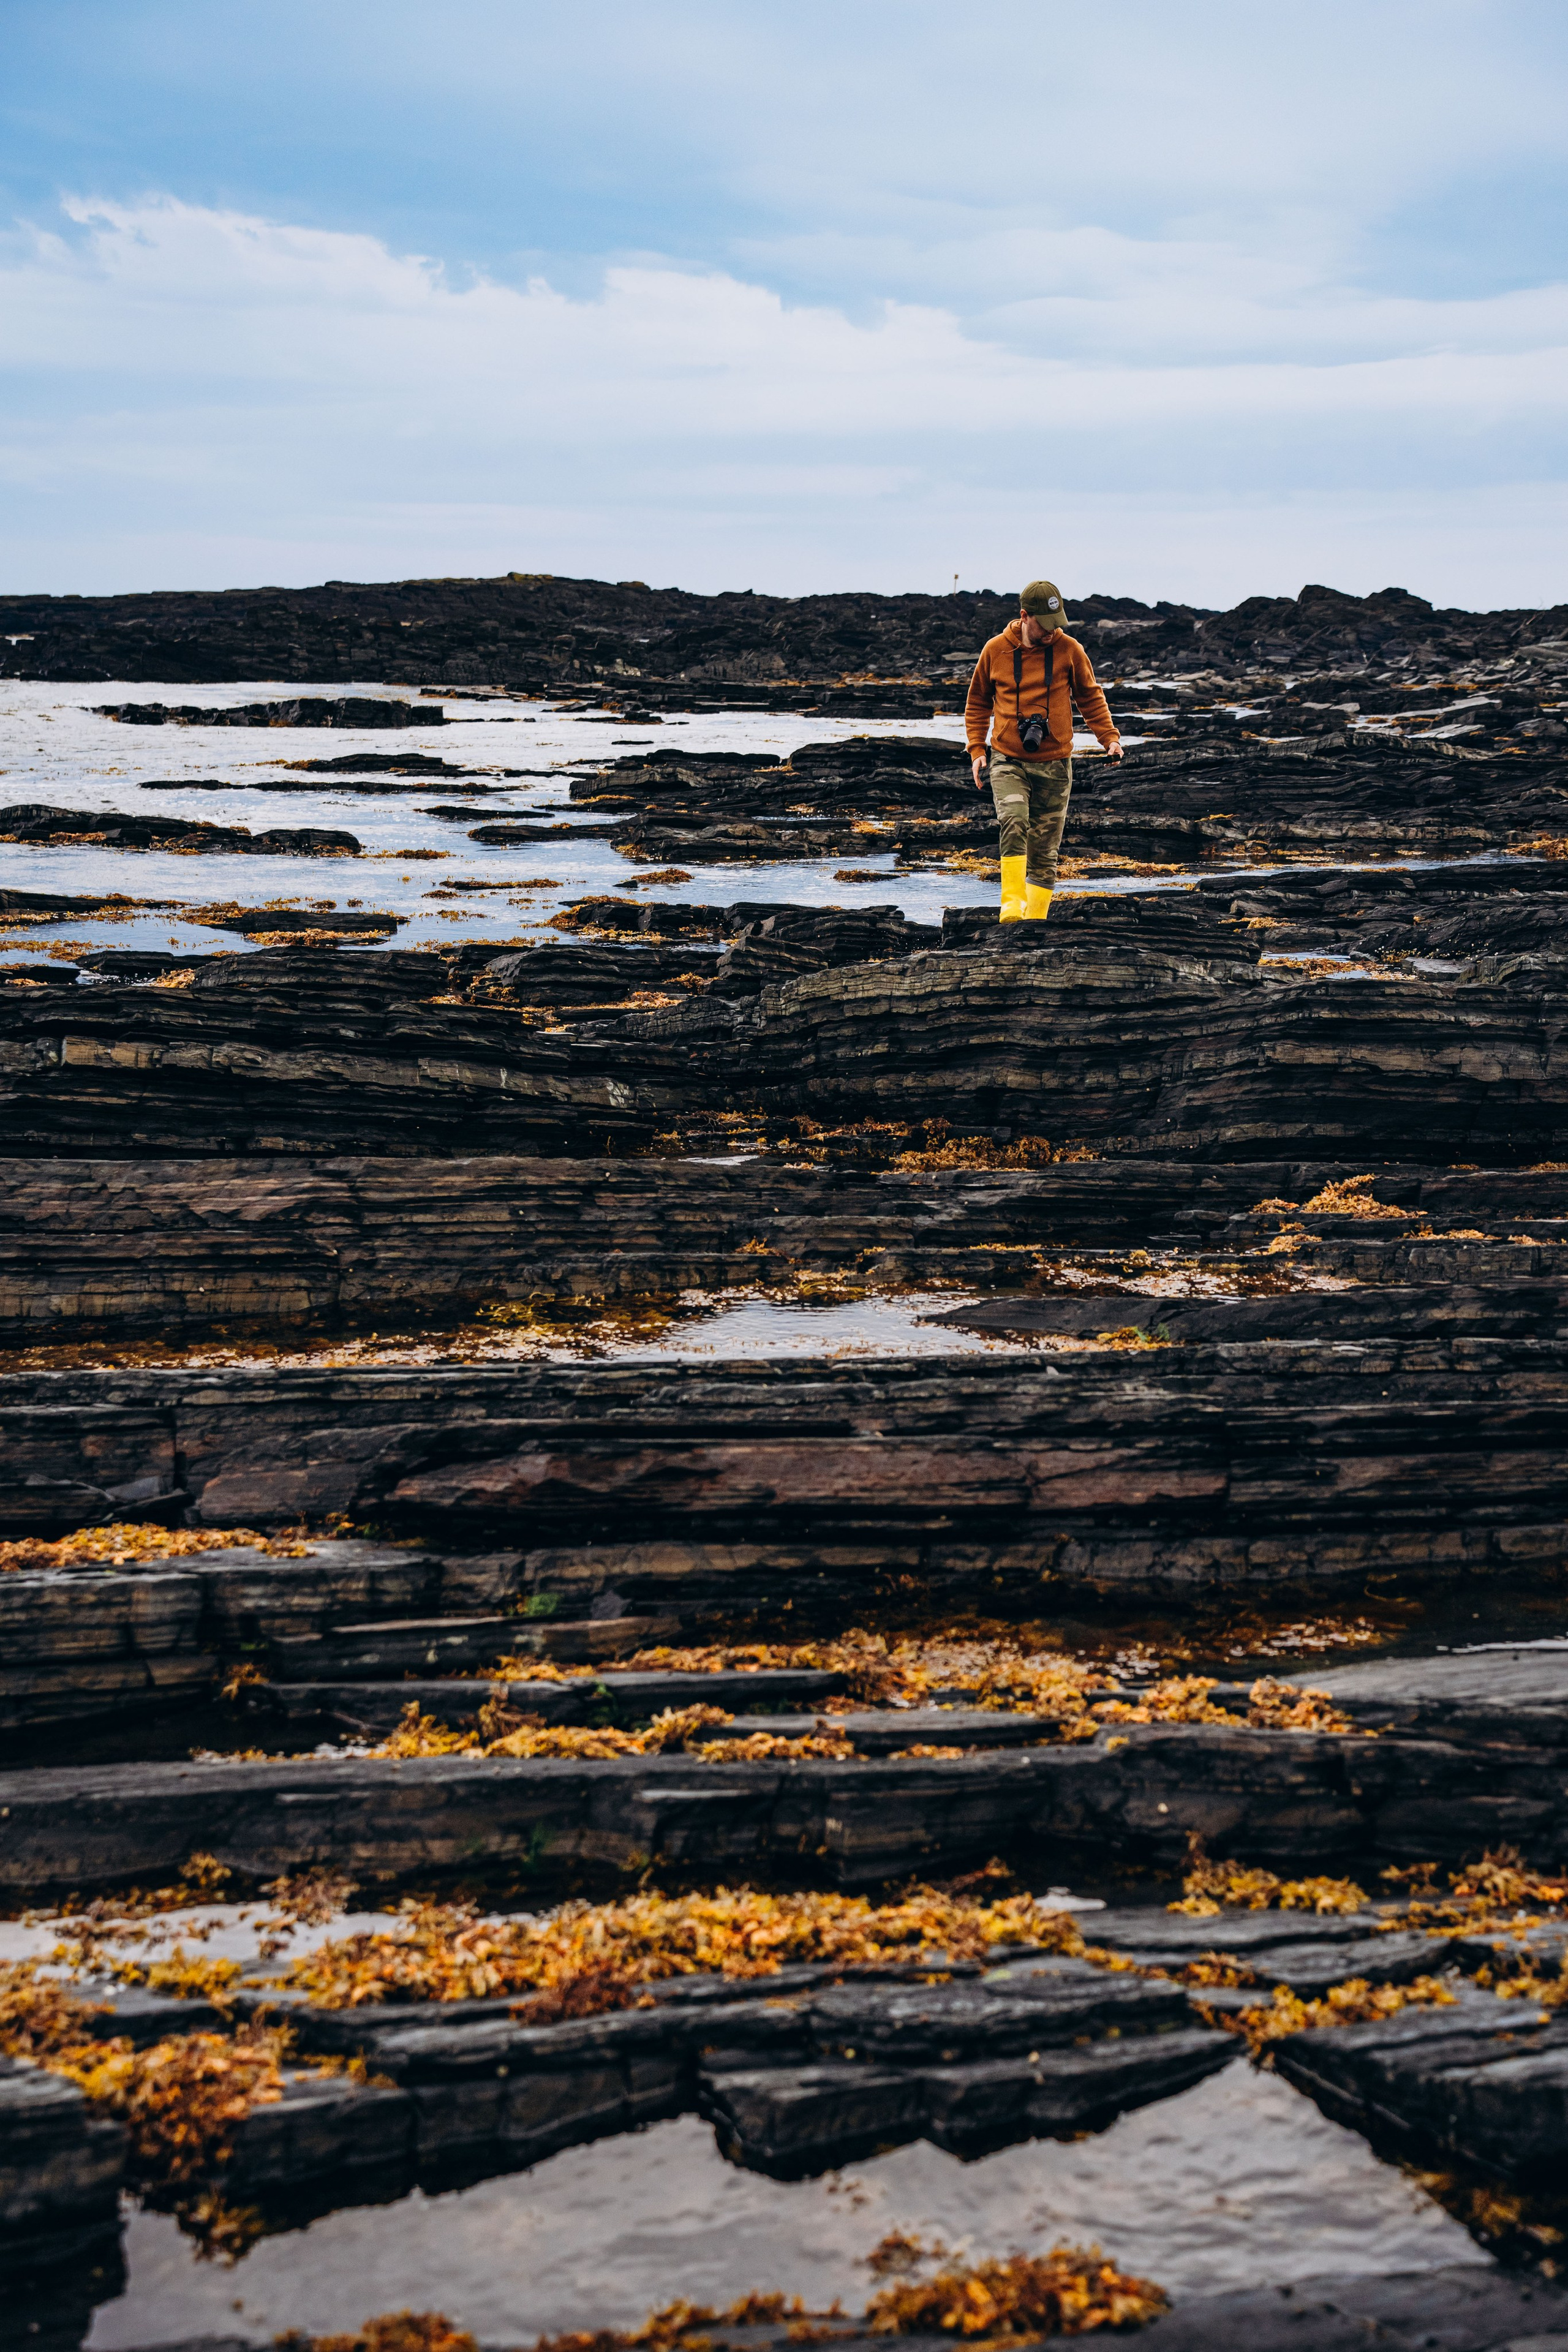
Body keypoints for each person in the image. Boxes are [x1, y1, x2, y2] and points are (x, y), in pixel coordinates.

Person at [964, 578, 1123, 922]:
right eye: (1047, 625)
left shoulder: (1070, 649)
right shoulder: (995, 650)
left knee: (1045, 851)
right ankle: (1011, 904)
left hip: (1055, 762)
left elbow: (1090, 697)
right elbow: (977, 703)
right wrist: (977, 749)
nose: (1054, 631)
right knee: (1014, 819)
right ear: (1025, 617)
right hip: (1008, 757)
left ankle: (1035, 922)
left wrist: (1109, 738)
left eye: (1058, 623)